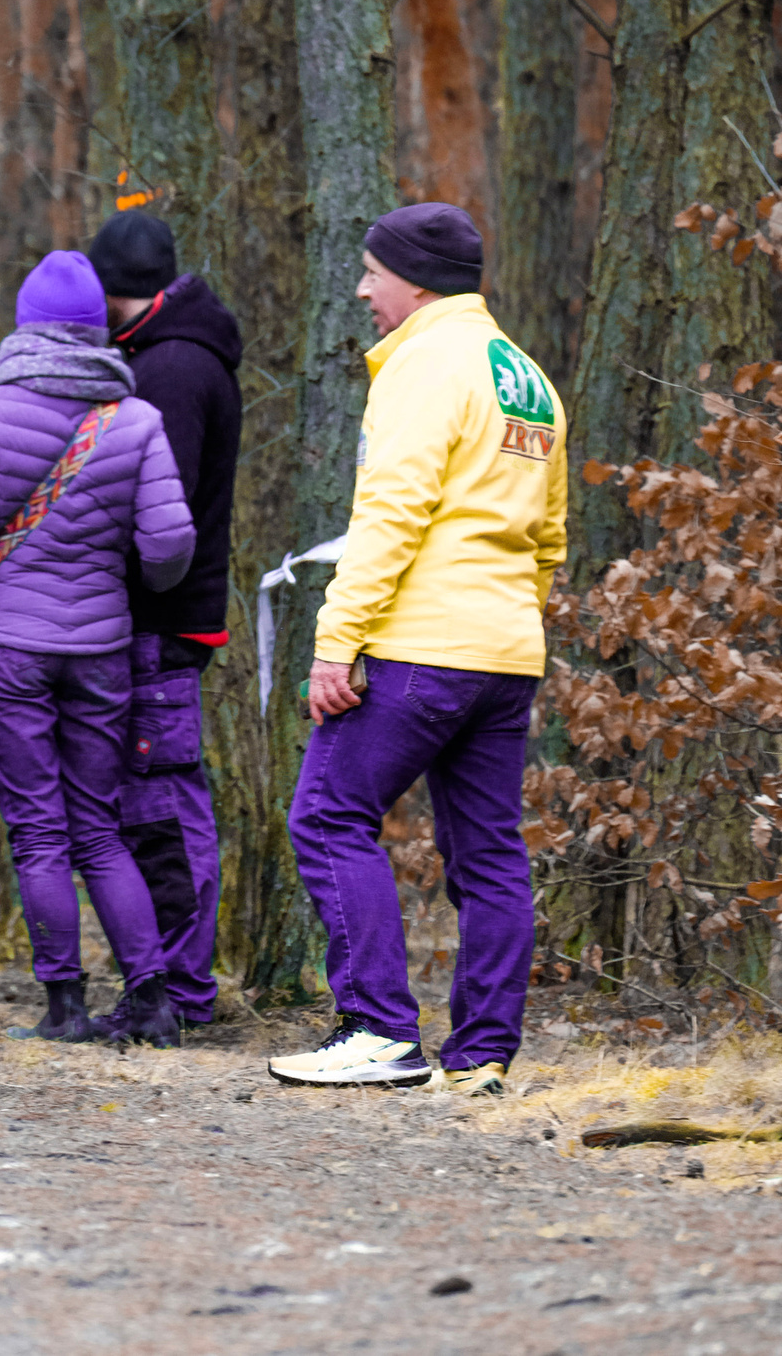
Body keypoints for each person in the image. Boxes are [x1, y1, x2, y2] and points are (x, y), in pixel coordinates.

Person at [270, 204, 566, 1096]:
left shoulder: (423, 363)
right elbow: (548, 538)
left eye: (373, 272)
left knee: (326, 816)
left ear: (418, 278)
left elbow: (389, 516)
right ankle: (481, 1053)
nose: (362, 289)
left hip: (421, 644)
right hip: (505, 650)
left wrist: (337, 642)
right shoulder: (527, 377)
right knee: (488, 854)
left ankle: (377, 1030)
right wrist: (508, 622)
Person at [0, 251, 195, 1048]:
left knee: (39, 831)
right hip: (103, 649)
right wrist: (127, 570)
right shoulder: (136, 420)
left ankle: (67, 1007)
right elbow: (171, 541)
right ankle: (152, 999)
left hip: (8, 649)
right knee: (100, 828)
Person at [88, 208, 242, 1034]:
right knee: (138, 803)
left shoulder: (174, 368)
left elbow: (163, 520)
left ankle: (181, 989)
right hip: (147, 622)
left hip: (161, 623)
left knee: (161, 808)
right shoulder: (157, 352)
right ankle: (162, 981)